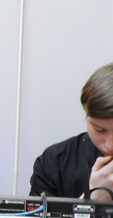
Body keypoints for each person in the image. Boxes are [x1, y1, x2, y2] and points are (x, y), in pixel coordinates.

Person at [29, 61, 113, 200]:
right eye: (99, 130)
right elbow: (39, 215)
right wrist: (93, 199)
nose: (110, 145)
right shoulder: (55, 162)